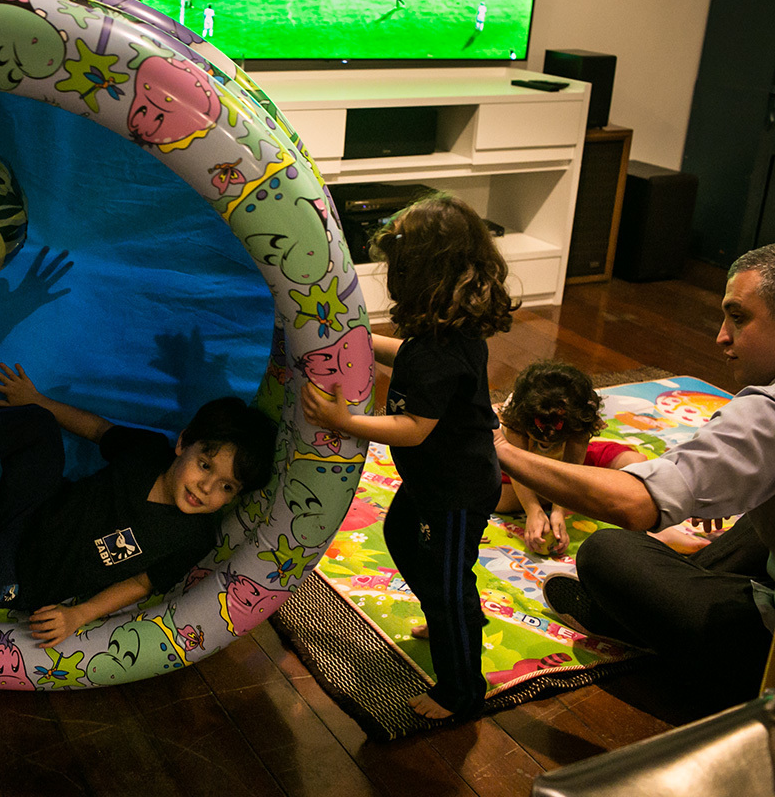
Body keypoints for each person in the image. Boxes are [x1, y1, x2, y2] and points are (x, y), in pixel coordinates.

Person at [494, 244, 775, 703]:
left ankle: (630, 616)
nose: (722, 337)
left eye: (738, 318)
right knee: (754, 525)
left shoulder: (767, 413)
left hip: (764, 655)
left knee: (607, 549)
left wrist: (502, 449)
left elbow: (632, 504)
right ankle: (672, 588)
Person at [0, 362, 278, 650]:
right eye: (205, 465)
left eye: (225, 486)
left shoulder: (192, 535)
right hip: (31, 511)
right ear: (183, 442)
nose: (206, 487)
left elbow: (142, 584)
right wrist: (38, 400)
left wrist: (79, 615)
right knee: (37, 423)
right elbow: (98, 429)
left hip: (22, 575)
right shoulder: (149, 452)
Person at [300, 193, 516, 720]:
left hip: (454, 491)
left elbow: (412, 429)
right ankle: (453, 612)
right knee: (400, 537)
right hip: (434, 482)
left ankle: (460, 692)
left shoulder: (445, 345)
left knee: (448, 583)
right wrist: (360, 342)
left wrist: (343, 421)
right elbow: (411, 358)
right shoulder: (440, 334)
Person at [496, 360, 710, 557]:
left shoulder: (578, 413)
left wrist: (559, 511)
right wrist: (533, 510)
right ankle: (588, 495)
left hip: (566, 467)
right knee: (494, 496)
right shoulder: (518, 412)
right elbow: (517, 464)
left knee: (635, 462)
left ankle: (660, 530)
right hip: (520, 470)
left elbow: (572, 467)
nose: (548, 439)